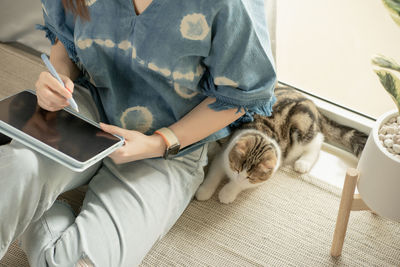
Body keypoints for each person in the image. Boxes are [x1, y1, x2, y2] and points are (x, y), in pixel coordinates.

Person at [0, 0, 276, 265]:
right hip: (86, 108)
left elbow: (242, 94)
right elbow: (65, 36)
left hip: (171, 142)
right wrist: (59, 77)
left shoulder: (229, 5)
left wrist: (158, 143)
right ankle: (29, 198)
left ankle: (36, 210)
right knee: (18, 167)